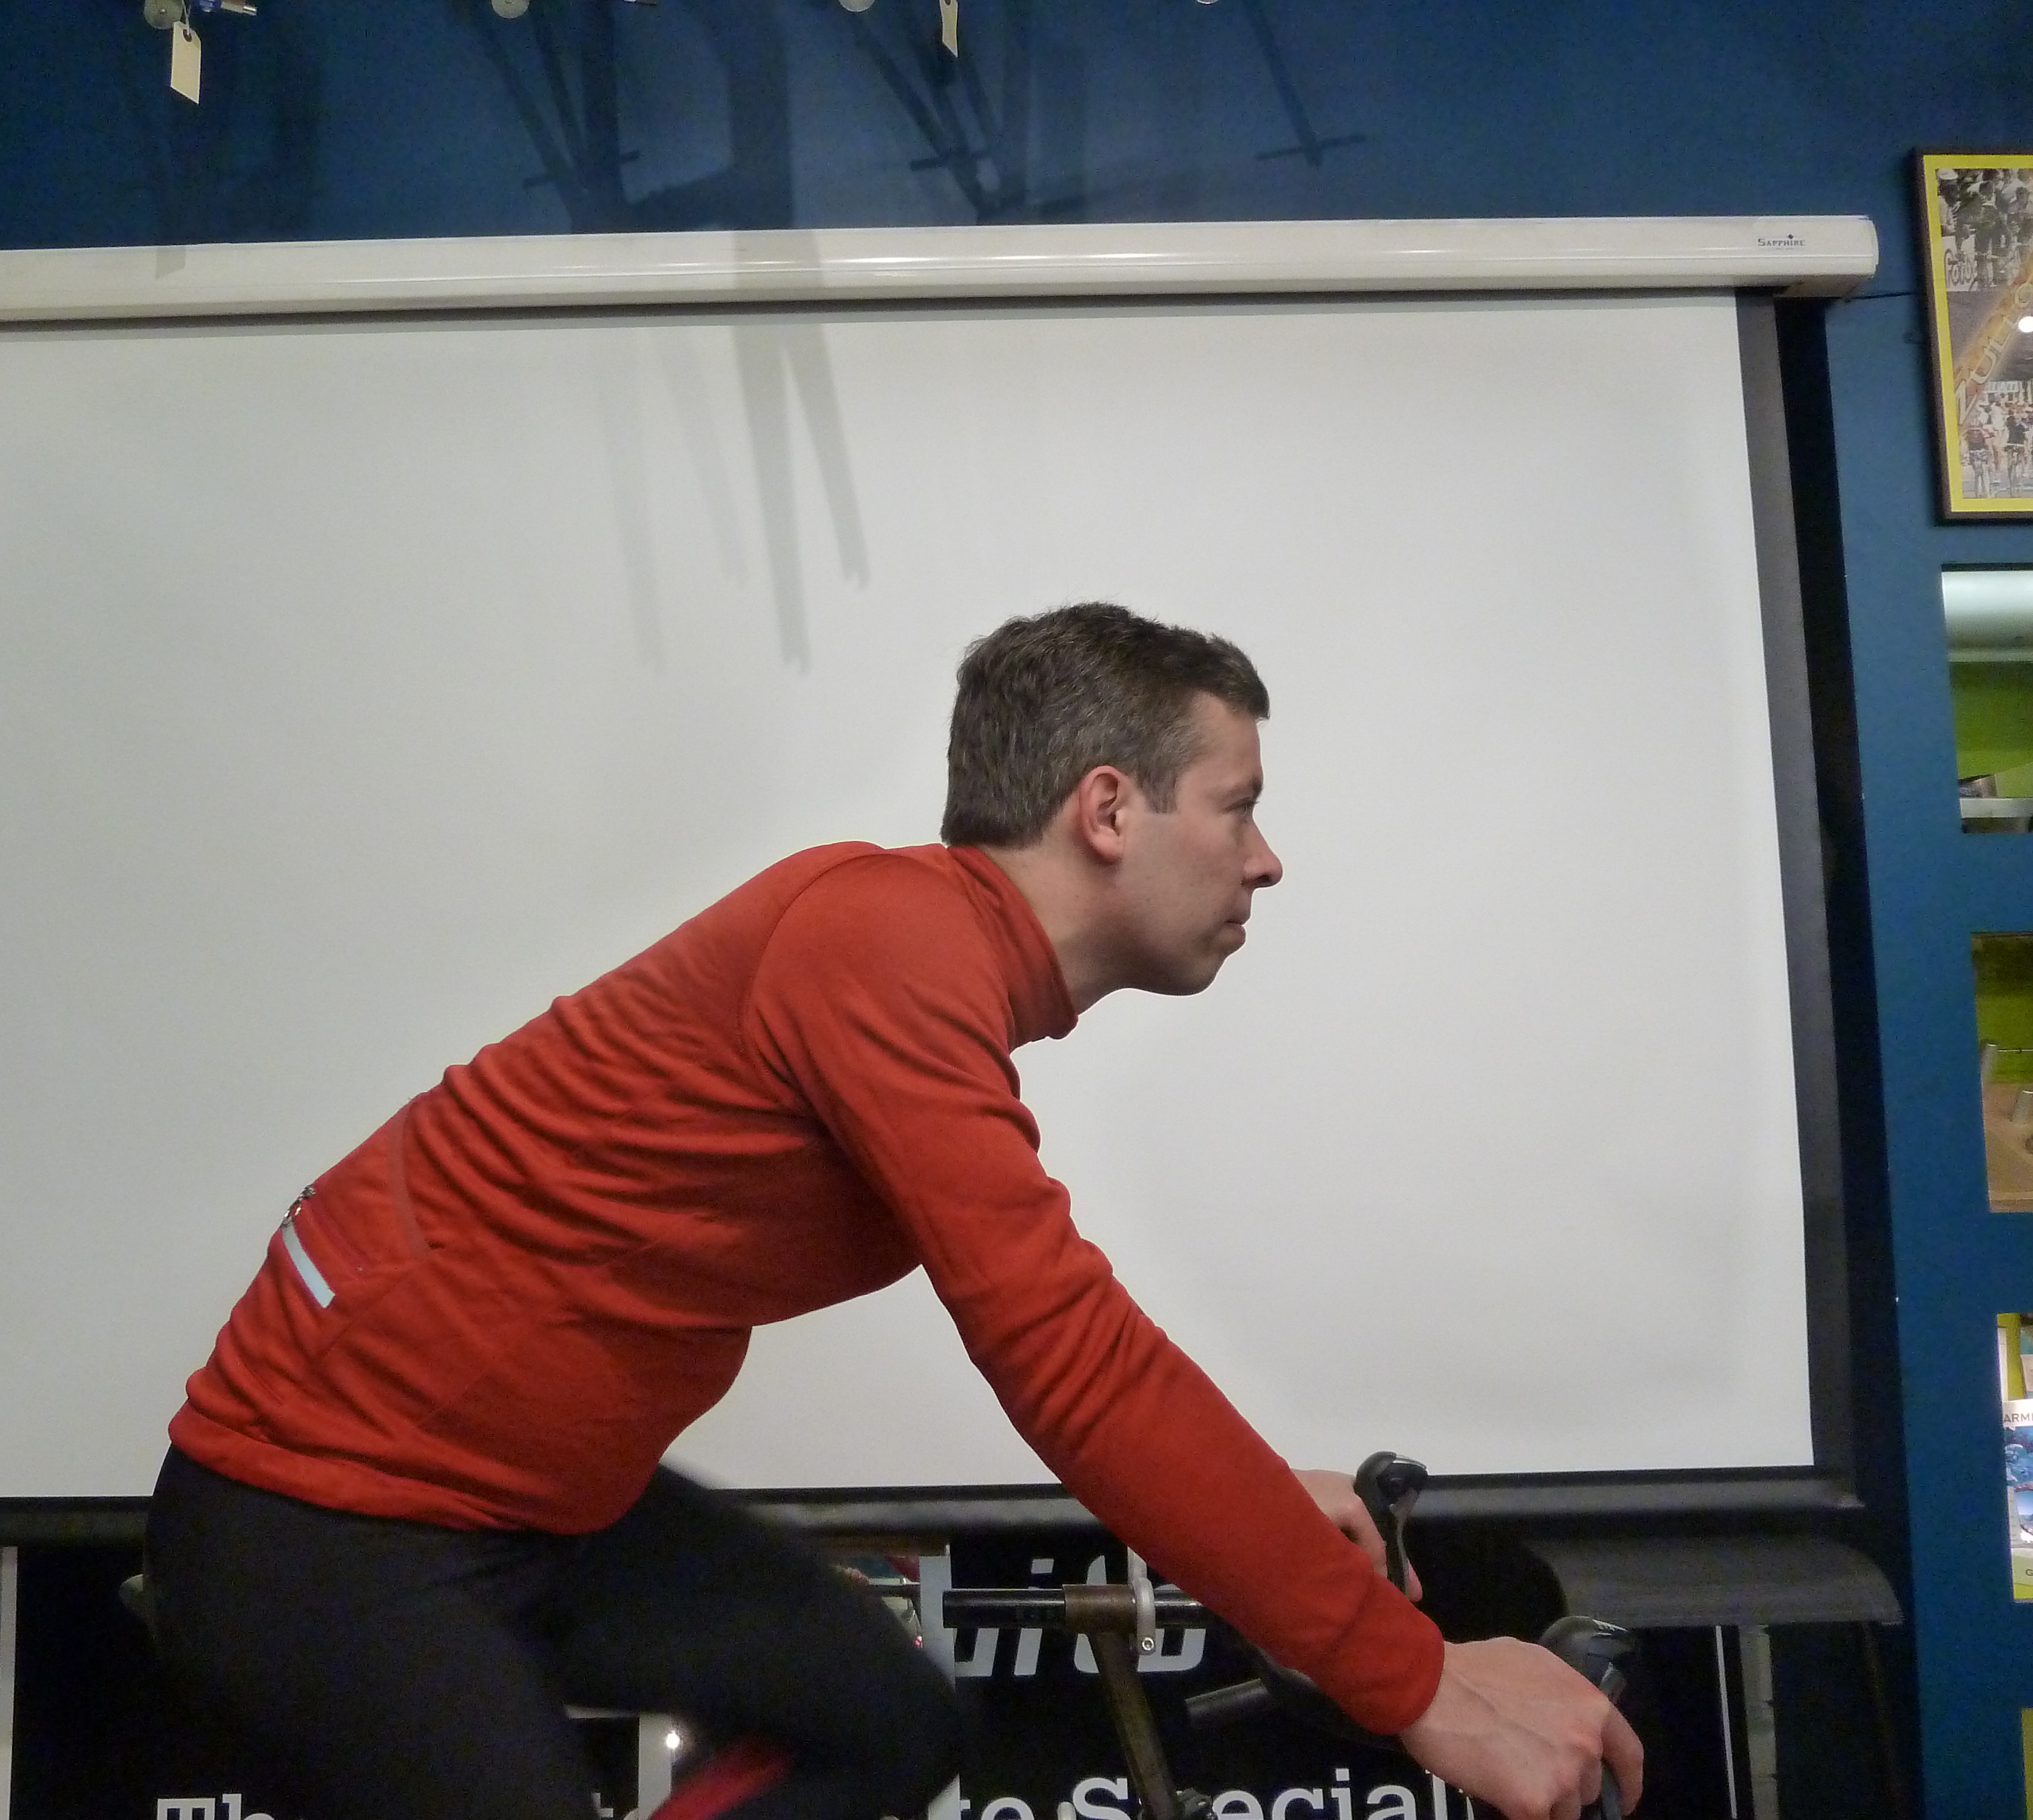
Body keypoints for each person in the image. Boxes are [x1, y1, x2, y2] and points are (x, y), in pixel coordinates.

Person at [147, 602, 1642, 1820]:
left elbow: (1066, 1336)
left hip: (541, 1505)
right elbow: (1066, 1358)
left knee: (885, 1723)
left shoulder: (924, 974)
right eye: (1237, 806)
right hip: (329, 1523)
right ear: (1105, 809)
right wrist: (1417, 1684)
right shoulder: (883, 944)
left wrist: (1259, 1505)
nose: (1264, 857)